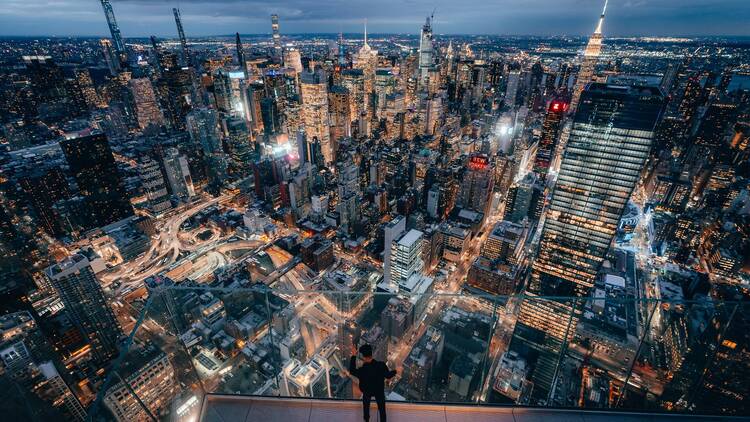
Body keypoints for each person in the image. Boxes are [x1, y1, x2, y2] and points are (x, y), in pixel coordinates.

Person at [349, 344, 397, 422]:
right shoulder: (381, 365)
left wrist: (354, 355)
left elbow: (352, 370)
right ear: (371, 354)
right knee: (382, 411)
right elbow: (388, 376)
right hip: (379, 391)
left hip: (367, 392)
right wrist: (396, 371)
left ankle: (366, 419)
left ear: (363, 357)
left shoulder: (362, 370)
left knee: (366, 408)